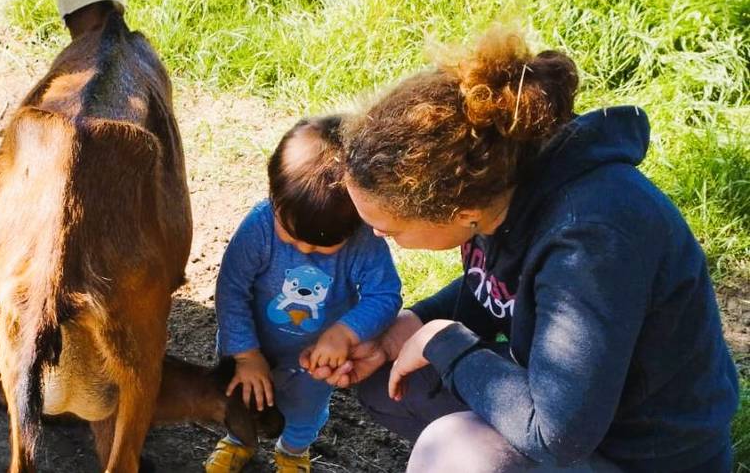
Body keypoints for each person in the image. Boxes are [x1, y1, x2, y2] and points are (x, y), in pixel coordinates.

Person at [302, 29, 740, 472]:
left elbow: (557, 434)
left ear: (461, 212)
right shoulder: (497, 182)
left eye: (387, 228)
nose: (377, 236)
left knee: (456, 453)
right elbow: (501, 286)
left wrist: (445, 342)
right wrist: (416, 322)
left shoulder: (590, 244)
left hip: (643, 456)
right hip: (581, 421)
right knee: (391, 372)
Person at [205, 116, 403, 473]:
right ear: (274, 196)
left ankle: (293, 453)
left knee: (304, 412)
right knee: (240, 399)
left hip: (313, 362)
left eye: (322, 245)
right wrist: (246, 355)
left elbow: (385, 294)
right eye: (291, 234)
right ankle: (239, 441)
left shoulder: (362, 240)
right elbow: (231, 289)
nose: (303, 247)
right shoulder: (261, 225)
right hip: (249, 346)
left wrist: (344, 332)